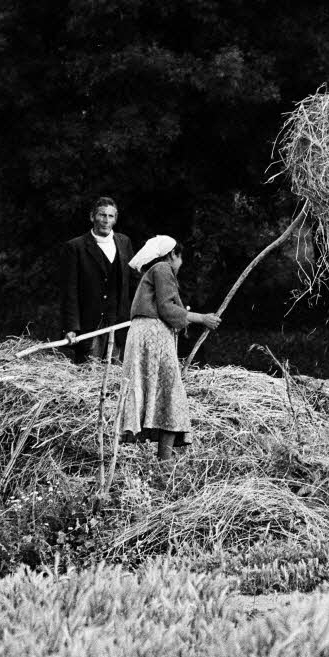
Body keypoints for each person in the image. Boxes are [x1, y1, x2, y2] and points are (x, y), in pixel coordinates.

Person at [117, 235, 221, 461]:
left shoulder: (153, 271)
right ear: (173, 254)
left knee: (165, 392)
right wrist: (202, 318)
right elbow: (166, 308)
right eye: (180, 258)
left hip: (146, 334)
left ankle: (165, 460)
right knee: (171, 394)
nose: (180, 264)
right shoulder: (163, 268)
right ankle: (165, 463)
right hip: (152, 335)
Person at [60, 196, 135, 364]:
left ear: (115, 219)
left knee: (115, 377)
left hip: (118, 323)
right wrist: (71, 327)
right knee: (87, 376)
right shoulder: (75, 247)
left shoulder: (124, 243)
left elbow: (133, 283)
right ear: (92, 216)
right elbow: (69, 291)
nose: (106, 221)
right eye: (102, 215)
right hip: (89, 325)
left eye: (110, 216)